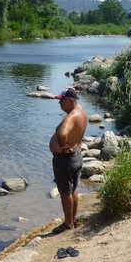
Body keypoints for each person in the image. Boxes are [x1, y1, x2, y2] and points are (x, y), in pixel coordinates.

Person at [49, 87, 88, 235]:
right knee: (73, 189)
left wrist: (63, 145)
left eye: (62, 100)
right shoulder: (81, 112)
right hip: (76, 157)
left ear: (71, 100)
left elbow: (62, 134)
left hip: (65, 160)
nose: (59, 103)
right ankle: (73, 218)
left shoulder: (71, 116)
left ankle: (67, 223)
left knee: (65, 192)